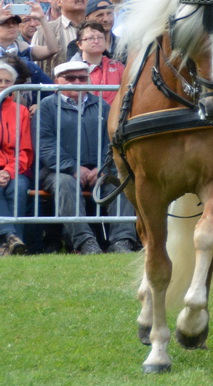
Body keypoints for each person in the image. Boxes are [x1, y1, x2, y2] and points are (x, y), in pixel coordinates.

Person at [36, 59, 135, 253]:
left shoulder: (102, 106)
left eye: (82, 78)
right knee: (66, 183)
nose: (77, 82)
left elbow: (112, 142)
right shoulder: (47, 106)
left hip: (99, 168)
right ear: (57, 80)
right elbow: (45, 145)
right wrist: (72, 168)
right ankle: (84, 242)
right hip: (56, 170)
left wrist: (101, 167)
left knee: (120, 181)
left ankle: (123, 240)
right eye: (70, 78)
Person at [0, 56, 32, 254]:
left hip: (13, 170)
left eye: (7, 81)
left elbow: (25, 150)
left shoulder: (21, 111)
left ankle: (12, 243)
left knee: (18, 187)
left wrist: (8, 172)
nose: (3, 85)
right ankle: (11, 239)